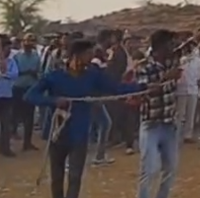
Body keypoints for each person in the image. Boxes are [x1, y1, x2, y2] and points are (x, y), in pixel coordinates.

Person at [25, 38, 142, 198]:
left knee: (75, 177)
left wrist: (143, 88)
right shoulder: (54, 76)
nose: (91, 58)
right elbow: (30, 95)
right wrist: (53, 101)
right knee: (57, 178)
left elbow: (116, 88)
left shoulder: (92, 76)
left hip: (79, 134)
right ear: (76, 55)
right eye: (88, 54)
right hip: (58, 134)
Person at [135, 30, 184, 198]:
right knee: (149, 170)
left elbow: (194, 42)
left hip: (169, 124)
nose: (174, 47)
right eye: (171, 43)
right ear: (160, 46)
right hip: (151, 124)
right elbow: (144, 92)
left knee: (170, 169)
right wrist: (166, 77)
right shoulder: (143, 67)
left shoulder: (172, 60)